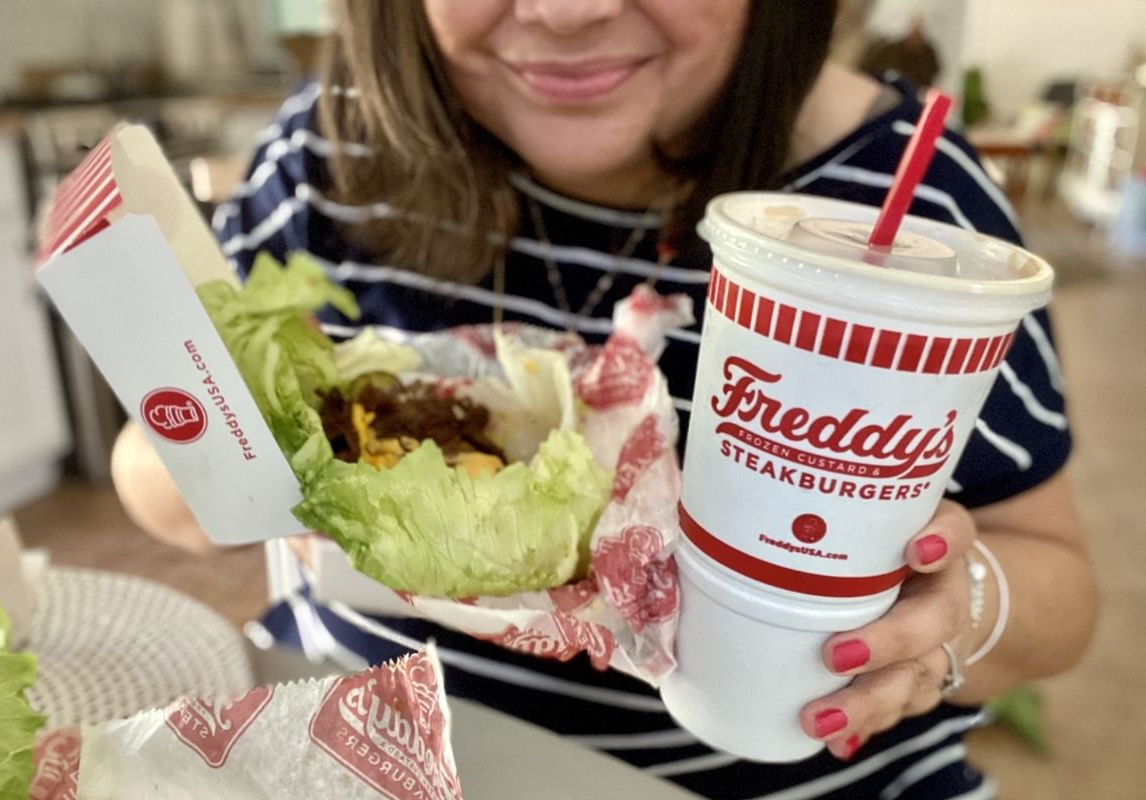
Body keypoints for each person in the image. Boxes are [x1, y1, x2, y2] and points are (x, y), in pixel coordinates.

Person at [111, 2, 1098, 797]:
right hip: (336, 747)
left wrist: (955, 610)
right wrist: (228, 457)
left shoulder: (914, 226)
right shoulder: (329, 148)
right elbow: (151, 478)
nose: (566, 11)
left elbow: (1062, 596)